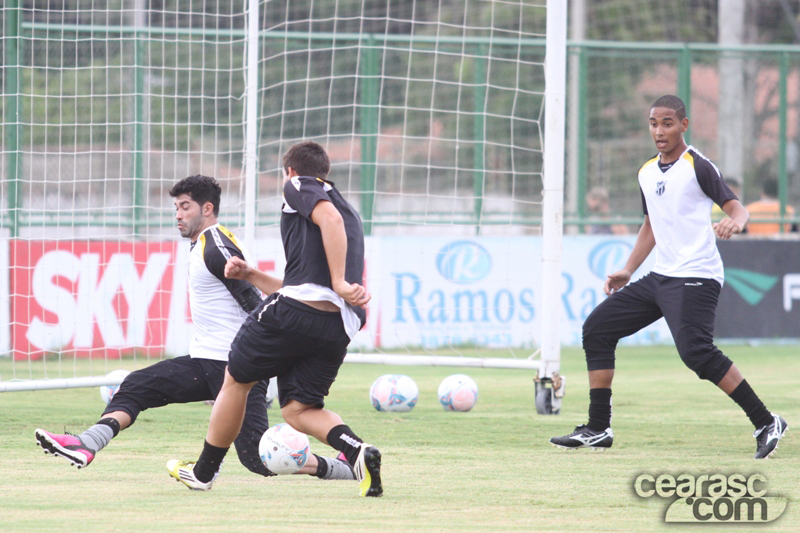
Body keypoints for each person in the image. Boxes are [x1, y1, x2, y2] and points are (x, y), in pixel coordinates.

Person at [35, 175, 354, 482]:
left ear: (207, 208)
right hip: (207, 361)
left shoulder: (216, 245)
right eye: (176, 207)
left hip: (234, 366)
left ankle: (346, 466)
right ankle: (87, 444)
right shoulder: (204, 243)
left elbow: (252, 301)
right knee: (136, 385)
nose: (178, 214)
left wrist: (263, 361)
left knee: (257, 459)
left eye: (185, 206)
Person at [550, 95, 787, 459]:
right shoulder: (646, 172)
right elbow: (652, 225)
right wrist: (629, 269)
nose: (659, 131)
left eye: (667, 123)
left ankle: (766, 421)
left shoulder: (697, 165)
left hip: (697, 275)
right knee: (597, 328)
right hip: (661, 276)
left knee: (696, 353)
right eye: (653, 123)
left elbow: (737, 208)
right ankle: (598, 428)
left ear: (683, 125)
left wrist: (735, 223)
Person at [167, 142, 382, 497]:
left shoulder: (301, 186)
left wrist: (342, 281)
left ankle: (203, 472)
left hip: (298, 312)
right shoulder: (350, 213)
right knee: (299, 409)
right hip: (337, 325)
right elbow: (307, 286)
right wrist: (251, 275)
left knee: (234, 379)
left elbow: (325, 232)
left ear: (291, 172)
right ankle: (358, 451)